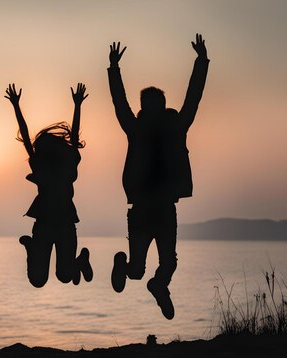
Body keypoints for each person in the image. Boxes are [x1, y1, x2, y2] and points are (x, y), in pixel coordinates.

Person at [107, 34, 209, 319]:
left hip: (161, 207)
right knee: (138, 269)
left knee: (168, 263)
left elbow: (193, 98)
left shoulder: (173, 127)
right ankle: (125, 265)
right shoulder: (139, 129)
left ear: (160, 106)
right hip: (145, 208)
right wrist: (114, 70)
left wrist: (201, 62)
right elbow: (120, 103)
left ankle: (158, 285)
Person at [5, 83, 93, 288]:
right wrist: (16, 107)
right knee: (37, 280)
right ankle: (31, 248)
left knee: (64, 276)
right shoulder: (41, 164)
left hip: (64, 223)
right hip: (44, 223)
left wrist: (78, 106)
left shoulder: (67, 162)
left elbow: (74, 138)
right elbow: (25, 138)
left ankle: (80, 261)